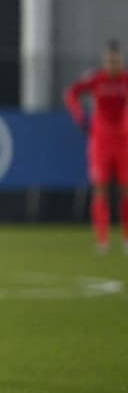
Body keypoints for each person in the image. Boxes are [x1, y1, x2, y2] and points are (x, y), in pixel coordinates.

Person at [64, 40, 128, 254]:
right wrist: (80, 118)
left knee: (125, 190)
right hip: (100, 142)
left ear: (121, 61)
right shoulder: (95, 80)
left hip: (123, 141)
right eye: (109, 60)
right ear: (104, 61)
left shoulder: (125, 81)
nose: (113, 64)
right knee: (100, 189)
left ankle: (126, 239)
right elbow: (71, 93)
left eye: (116, 61)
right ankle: (102, 239)